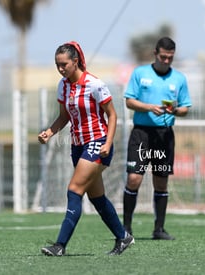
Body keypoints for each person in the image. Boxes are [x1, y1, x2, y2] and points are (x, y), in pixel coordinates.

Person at [38, 41, 134, 256]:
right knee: (96, 197)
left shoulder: (94, 84)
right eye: (57, 65)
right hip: (77, 146)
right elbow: (64, 117)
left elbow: (112, 115)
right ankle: (123, 237)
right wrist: (49, 132)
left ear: (75, 61)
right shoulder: (62, 86)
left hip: (98, 143)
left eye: (64, 64)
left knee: (74, 190)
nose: (61, 69)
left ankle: (60, 245)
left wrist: (108, 143)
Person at [122, 37, 192, 240]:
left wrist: (177, 110)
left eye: (170, 58)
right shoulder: (140, 73)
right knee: (134, 179)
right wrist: (149, 107)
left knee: (161, 183)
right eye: (163, 57)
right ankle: (126, 228)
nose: (167, 61)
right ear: (155, 54)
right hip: (141, 133)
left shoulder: (179, 78)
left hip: (164, 136)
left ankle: (159, 229)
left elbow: (186, 108)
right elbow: (129, 101)